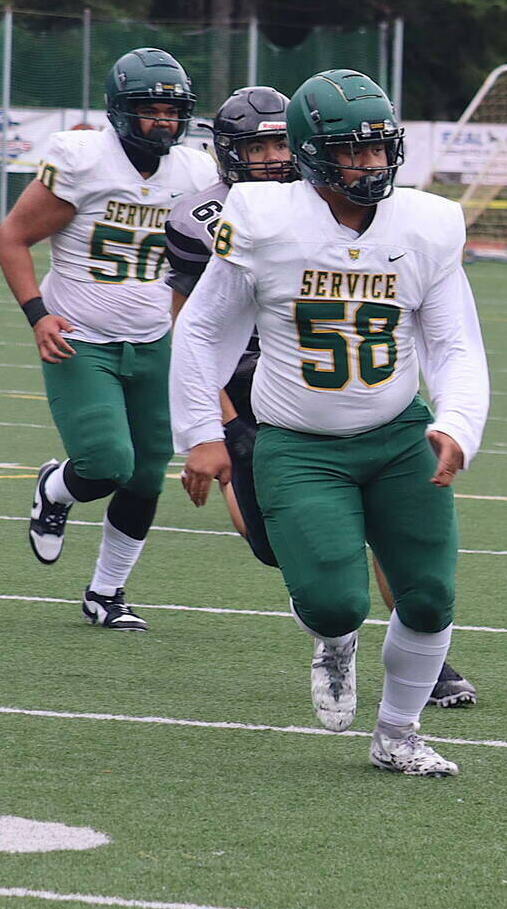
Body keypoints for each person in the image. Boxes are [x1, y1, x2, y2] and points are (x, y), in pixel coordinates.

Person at [170, 69, 489, 776]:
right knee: (331, 600)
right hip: (299, 442)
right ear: (314, 152)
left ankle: (398, 734)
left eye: (380, 149)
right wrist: (200, 431)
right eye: (354, 151)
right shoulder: (261, 217)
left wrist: (459, 422)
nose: (371, 164)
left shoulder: (427, 224)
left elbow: (455, 341)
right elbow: (200, 330)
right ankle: (336, 641)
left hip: (399, 432)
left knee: (430, 595)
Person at [0, 48, 218, 628]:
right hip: (81, 337)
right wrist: (38, 315)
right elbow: (12, 237)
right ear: (121, 111)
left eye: (172, 112)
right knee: (106, 463)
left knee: (147, 477)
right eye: (150, 110)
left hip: (154, 340)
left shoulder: (194, 172)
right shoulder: (82, 159)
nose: (163, 123)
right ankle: (55, 488)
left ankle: (106, 593)